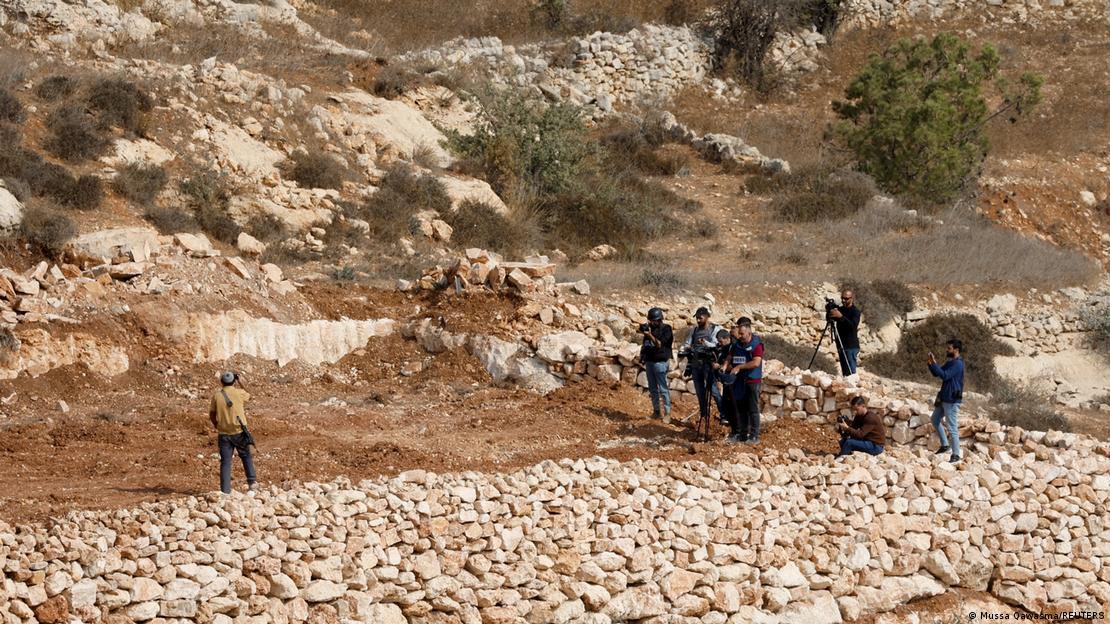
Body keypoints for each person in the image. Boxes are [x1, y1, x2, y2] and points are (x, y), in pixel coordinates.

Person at [209, 371, 258, 494]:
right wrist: (241, 382)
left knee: (225, 462)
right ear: (233, 381)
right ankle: (252, 482)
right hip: (239, 431)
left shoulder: (217, 396)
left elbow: (212, 414)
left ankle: (225, 490)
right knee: (246, 456)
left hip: (224, 433)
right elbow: (250, 394)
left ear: (222, 382)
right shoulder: (239, 393)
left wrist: (216, 425)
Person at [726, 317, 764, 444]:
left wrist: (739, 367)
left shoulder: (757, 344)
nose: (740, 336)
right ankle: (742, 434)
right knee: (741, 409)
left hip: (752, 381)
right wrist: (725, 365)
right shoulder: (737, 344)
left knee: (753, 409)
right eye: (739, 333)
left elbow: (756, 362)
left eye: (742, 334)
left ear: (749, 331)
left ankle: (754, 436)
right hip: (739, 381)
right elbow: (730, 356)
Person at [928, 339, 965, 464]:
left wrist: (934, 364)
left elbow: (944, 375)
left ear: (956, 350)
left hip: (952, 400)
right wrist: (931, 364)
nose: (947, 350)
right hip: (944, 398)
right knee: (935, 419)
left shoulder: (958, 364)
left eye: (949, 348)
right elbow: (937, 373)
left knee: (952, 427)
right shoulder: (951, 362)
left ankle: (956, 454)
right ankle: (945, 445)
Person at [682, 307, 720, 425]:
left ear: (707, 317)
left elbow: (717, 345)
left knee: (713, 390)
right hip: (695, 363)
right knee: (699, 391)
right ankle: (704, 414)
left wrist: (705, 343)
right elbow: (687, 343)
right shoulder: (694, 330)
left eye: (700, 318)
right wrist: (687, 348)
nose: (698, 320)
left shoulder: (714, 329)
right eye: (697, 318)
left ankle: (724, 414)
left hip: (708, 364)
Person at [640, 307, 674, 423]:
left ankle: (667, 414)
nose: (652, 323)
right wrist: (643, 356)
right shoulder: (649, 329)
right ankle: (656, 412)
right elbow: (645, 344)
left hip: (660, 362)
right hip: (650, 362)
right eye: (650, 321)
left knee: (663, 389)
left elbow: (659, 344)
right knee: (653, 389)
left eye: (653, 321)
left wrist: (649, 335)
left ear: (659, 319)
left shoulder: (666, 329)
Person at [710, 329, 740, 440]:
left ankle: (738, 431)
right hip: (726, 380)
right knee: (727, 405)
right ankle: (733, 430)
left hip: (733, 380)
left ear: (727, 338)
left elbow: (736, 364)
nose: (720, 343)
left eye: (721, 341)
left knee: (734, 407)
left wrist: (721, 366)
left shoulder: (736, 347)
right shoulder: (725, 348)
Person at [828, 289, 861, 376]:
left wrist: (841, 317)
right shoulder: (840, 309)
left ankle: (852, 384)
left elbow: (852, 326)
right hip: (841, 344)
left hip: (850, 346)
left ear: (852, 298)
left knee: (851, 372)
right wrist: (830, 312)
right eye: (842, 298)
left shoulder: (855, 312)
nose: (843, 300)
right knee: (845, 372)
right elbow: (830, 319)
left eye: (846, 298)